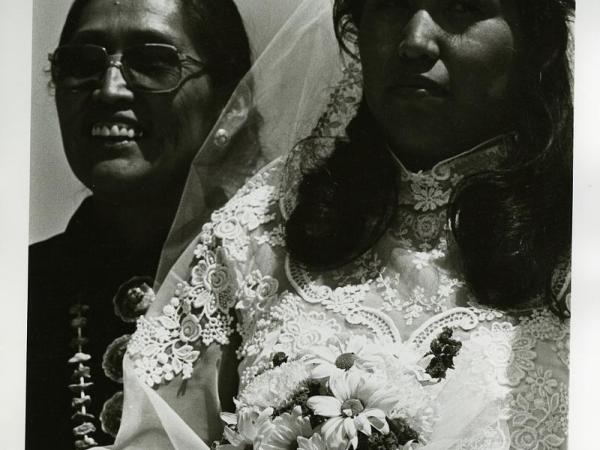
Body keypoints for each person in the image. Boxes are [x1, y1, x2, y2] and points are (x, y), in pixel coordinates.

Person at [107, 0, 574, 448]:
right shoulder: (268, 220)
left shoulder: (580, 237)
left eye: (462, 7)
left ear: (537, 38)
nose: (415, 41)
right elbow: (158, 434)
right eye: (390, 4)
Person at [26, 0, 253, 448]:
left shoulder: (281, 287)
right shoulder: (22, 291)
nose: (109, 89)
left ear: (233, 102)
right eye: (82, 62)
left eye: (153, 61)